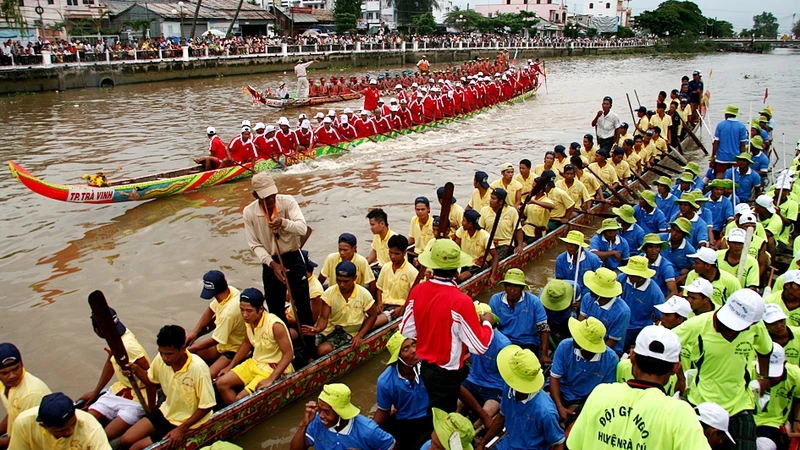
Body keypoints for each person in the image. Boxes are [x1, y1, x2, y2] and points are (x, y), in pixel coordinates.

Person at [567, 326, 712, 449]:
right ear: (675, 368)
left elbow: (573, 445)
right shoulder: (680, 414)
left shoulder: (600, 394)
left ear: (632, 358)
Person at [400, 239, 493, 412]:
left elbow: (406, 330)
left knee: (435, 410)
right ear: (457, 269)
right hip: (446, 373)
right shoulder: (461, 301)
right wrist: (487, 322)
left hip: (425, 367)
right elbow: (479, 346)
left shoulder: (418, 291)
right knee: (444, 417)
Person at [674, 289, 772, 450]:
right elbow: (669, 342)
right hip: (701, 403)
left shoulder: (756, 328)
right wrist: (680, 378)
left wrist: (765, 378)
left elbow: (765, 350)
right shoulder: (699, 324)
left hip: (739, 405)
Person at [243, 173, 315, 357]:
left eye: (272, 196)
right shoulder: (249, 212)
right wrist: (272, 264)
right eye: (265, 198)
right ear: (256, 196)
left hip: (293, 257)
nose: (270, 200)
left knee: (303, 306)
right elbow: (254, 245)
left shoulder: (287, 202)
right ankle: (286, 352)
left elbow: (302, 228)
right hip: (271, 263)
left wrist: (283, 222)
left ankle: (309, 350)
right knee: (275, 310)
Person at [120, 325, 216, 450]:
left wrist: (181, 429)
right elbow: (150, 379)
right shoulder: (161, 360)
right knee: (125, 440)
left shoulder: (198, 368)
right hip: (167, 411)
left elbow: (207, 405)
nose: (165, 358)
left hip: (188, 422)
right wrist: (136, 369)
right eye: (162, 353)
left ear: (182, 349)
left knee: (136, 448)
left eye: (169, 354)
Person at [80, 309, 152, 440]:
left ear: (97, 331)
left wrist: (151, 409)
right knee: (86, 421)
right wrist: (96, 392)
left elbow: (151, 379)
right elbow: (110, 363)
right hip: (118, 391)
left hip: (139, 399)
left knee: (105, 436)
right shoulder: (115, 339)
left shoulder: (128, 346)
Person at [215, 288, 294, 405]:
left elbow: (289, 354)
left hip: (272, 367)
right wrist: (230, 366)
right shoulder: (248, 322)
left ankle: (239, 416)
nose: (244, 315)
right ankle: (237, 417)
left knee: (240, 399)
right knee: (221, 383)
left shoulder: (275, 325)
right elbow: (247, 343)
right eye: (241, 310)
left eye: (249, 311)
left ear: (261, 309)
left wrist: (271, 379)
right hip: (255, 362)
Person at [480, 346, 565, 450]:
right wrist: (483, 443)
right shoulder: (510, 387)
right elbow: (502, 416)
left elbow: (558, 442)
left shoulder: (545, 412)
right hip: (506, 444)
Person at [303, 261, 378, 357]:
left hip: (348, 332)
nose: (342, 285)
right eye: (339, 280)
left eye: (346, 281)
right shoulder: (329, 293)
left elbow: (373, 315)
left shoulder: (364, 294)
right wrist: (317, 329)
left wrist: (360, 336)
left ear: (354, 278)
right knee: (308, 346)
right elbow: (323, 318)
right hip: (329, 328)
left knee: (322, 350)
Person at [550, 317, 618, 423]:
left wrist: (580, 408)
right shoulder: (564, 346)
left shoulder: (611, 359)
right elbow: (555, 378)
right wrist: (559, 406)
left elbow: (603, 393)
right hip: (559, 392)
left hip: (584, 401)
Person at [290, 383, 396, 450]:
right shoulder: (317, 421)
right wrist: (304, 424)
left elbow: (393, 446)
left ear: (340, 412)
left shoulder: (368, 430)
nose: (321, 415)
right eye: (319, 409)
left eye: (326, 412)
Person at [373, 333, 430, 450]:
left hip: (431, 414)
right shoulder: (385, 381)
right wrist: (369, 429)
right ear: (398, 357)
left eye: (414, 344)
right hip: (406, 422)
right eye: (406, 349)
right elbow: (383, 411)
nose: (414, 350)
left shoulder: (428, 364)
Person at [185, 270, 245, 378]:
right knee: (192, 355)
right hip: (223, 344)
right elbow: (210, 310)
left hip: (234, 349)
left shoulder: (229, 312)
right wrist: (195, 331)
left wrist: (191, 349)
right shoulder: (230, 291)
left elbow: (215, 340)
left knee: (207, 376)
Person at [461, 303, 511, 427]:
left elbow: (508, 377)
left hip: (495, 386)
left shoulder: (503, 345)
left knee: (487, 413)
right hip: (473, 380)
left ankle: (473, 432)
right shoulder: (469, 337)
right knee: (453, 404)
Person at [10, 392, 111, 450]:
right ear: (43, 425)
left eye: (73, 423)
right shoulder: (23, 423)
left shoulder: (91, 427)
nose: (70, 431)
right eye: (62, 430)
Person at [488, 269, 550, 360]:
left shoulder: (534, 302)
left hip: (528, 342)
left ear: (522, 288)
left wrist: (544, 354)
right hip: (504, 342)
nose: (512, 290)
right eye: (509, 285)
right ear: (504, 286)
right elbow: (491, 327)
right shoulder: (495, 300)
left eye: (516, 286)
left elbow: (544, 328)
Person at [0, 343, 51, 448]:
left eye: (15, 369)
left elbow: (27, 439)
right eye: (5, 373)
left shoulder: (31, 394)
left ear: (22, 364)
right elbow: (12, 412)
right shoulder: (3, 385)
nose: (12, 376)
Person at [751, 343, 800, 450]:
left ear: (784, 363)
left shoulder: (795, 374)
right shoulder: (748, 369)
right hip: (747, 419)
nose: (768, 378)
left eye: (773, 375)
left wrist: (797, 420)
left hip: (773, 424)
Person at [579, 268, 631, 355]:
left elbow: (611, 342)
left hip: (607, 350)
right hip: (585, 343)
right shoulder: (587, 297)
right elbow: (581, 323)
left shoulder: (623, 312)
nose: (589, 288)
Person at [618, 256, 665, 351]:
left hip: (639, 328)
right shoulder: (622, 278)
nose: (629, 276)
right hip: (620, 323)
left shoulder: (654, 292)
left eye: (632, 274)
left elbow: (662, 316)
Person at [375, 235, 419, 327]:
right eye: (390, 252)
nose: (392, 256)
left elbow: (416, 297)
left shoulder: (412, 272)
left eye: (396, 253)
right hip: (383, 304)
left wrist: (403, 308)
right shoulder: (386, 267)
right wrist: (379, 303)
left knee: (374, 323)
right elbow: (379, 288)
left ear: (404, 253)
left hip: (397, 307)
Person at [454, 209, 498, 282]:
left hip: (476, 265)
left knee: (461, 278)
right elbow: (455, 249)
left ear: (470, 224)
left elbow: (495, 257)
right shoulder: (461, 230)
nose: (461, 223)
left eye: (464, 221)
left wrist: (492, 276)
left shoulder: (485, 236)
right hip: (463, 263)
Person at [478, 188, 521, 259]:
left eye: (493, 199)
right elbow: (481, 230)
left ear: (501, 202)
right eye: (491, 198)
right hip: (489, 244)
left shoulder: (512, 211)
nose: (490, 201)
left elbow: (518, 229)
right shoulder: (484, 210)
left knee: (494, 260)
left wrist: (519, 245)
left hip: (505, 244)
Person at [712, 105, 748, 179]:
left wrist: (713, 155)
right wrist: (742, 158)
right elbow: (742, 145)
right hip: (735, 157)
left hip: (721, 157)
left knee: (720, 175)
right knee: (734, 177)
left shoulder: (720, 125)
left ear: (726, 115)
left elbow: (716, 142)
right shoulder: (741, 126)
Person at [640, 233, 678, 298]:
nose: (654, 250)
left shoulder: (666, 267)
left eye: (657, 247)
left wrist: (661, 306)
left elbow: (673, 292)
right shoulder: (639, 260)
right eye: (650, 247)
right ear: (645, 248)